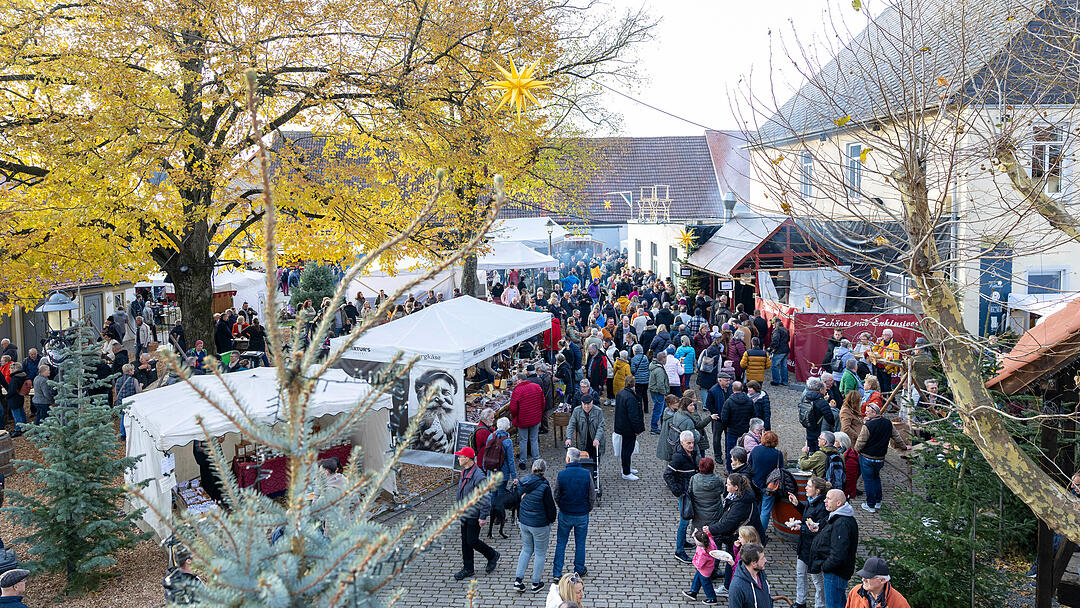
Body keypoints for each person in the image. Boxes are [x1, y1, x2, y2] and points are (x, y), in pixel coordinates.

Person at [452, 447, 499, 580]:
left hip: (474, 513)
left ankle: (492, 555)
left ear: (467, 459)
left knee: (472, 540)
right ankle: (468, 568)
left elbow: (485, 497)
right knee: (465, 542)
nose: (458, 458)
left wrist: (483, 516)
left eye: (461, 456)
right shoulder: (464, 472)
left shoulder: (479, 476)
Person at [854, 404, 909, 512]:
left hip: (867, 457)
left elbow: (860, 442)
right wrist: (904, 447)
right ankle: (878, 502)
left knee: (868, 481)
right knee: (876, 479)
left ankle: (870, 505)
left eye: (868, 411)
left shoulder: (868, 426)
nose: (865, 413)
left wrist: (855, 451)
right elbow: (896, 437)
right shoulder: (888, 423)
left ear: (874, 413)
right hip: (880, 458)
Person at [552, 448, 596, 581]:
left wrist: (561, 506)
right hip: (582, 514)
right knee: (580, 543)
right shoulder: (586, 474)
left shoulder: (561, 475)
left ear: (568, 459)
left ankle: (557, 572)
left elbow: (556, 494)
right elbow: (592, 494)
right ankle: (579, 569)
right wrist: (588, 508)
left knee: (561, 542)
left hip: (565, 514)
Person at [811, 489, 859, 608]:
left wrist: (825, 566)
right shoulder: (837, 517)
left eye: (828, 498)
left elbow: (839, 553)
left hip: (835, 573)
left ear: (838, 503)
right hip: (835, 571)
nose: (825, 501)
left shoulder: (842, 523)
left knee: (834, 605)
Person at [515, 458, 557, 594]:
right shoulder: (544, 486)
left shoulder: (522, 482)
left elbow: (517, 500)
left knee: (526, 549)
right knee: (540, 553)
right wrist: (551, 519)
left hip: (524, 522)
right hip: (539, 524)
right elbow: (550, 507)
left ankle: (518, 581)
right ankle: (535, 583)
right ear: (544, 470)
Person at [788, 477, 829, 608]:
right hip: (804, 545)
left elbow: (819, 529)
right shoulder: (812, 501)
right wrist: (797, 504)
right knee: (800, 573)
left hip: (814, 548)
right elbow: (808, 517)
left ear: (817, 491)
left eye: (809, 486)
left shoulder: (822, 506)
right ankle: (800, 601)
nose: (805, 488)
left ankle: (820, 604)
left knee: (817, 579)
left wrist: (801, 528)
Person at [665, 430, 698, 563]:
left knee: (686, 520)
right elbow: (667, 474)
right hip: (684, 493)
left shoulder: (691, 453)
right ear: (682, 443)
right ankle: (679, 551)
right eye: (688, 443)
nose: (691, 445)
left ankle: (683, 542)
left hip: (689, 491)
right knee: (684, 521)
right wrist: (677, 491)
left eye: (692, 443)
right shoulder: (678, 457)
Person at [749, 430, 783, 531]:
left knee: (757, 509)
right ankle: (761, 533)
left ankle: (754, 531)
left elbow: (749, 464)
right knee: (766, 511)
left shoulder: (756, 450)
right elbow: (781, 470)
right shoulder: (778, 454)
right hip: (770, 486)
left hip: (756, 484)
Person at [509, 373, 545, 469]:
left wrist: (515, 417)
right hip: (535, 418)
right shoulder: (536, 387)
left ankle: (523, 461)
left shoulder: (518, 390)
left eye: (516, 380)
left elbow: (513, 408)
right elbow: (542, 402)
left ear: (520, 380)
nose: (516, 382)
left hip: (523, 420)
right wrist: (539, 413)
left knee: (523, 441)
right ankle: (535, 460)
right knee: (534, 439)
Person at [846, 557, 911, 608]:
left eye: (868, 577)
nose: (863, 579)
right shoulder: (855, 592)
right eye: (863, 576)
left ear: (882, 580)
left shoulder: (899, 603)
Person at [613, 376, 644, 480]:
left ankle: (626, 468)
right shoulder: (631, 397)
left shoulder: (620, 393)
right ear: (634, 384)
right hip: (628, 428)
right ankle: (626, 472)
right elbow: (633, 416)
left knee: (626, 449)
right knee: (627, 450)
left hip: (622, 426)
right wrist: (637, 429)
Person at [719, 381, 754, 471]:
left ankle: (730, 470)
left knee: (731, 451)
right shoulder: (749, 401)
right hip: (745, 429)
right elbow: (753, 415)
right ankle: (743, 468)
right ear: (742, 388)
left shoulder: (729, 402)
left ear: (732, 389)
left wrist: (727, 426)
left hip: (732, 430)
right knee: (745, 450)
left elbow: (724, 418)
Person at [682, 527, 720, 604]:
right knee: (697, 578)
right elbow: (709, 536)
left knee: (706, 583)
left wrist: (694, 562)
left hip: (704, 570)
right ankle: (693, 592)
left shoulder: (703, 553)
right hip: (707, 567)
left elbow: (699, 565)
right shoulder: (710, 542)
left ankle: (712, 598)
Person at [728, 543, 772, 608]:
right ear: (753, 563)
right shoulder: (736, 587)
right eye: (762, 558)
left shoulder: (761, 573)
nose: (765, 560)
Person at [689, 456, 725, 536]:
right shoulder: (717, 479)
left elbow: (690, 491)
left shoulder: (694, 479)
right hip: (715, 513)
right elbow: (721, 491)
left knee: (699, 536)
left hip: (698, 514)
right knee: (713, 535)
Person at [565, 393, 605, 461]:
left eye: (588, 404)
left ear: (592, 403)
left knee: (595, 462)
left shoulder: (598, 411)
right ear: (581, 403)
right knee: (583, 462)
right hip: (583, 442)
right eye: (584, 404)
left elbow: (601, 426)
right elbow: (571, 425)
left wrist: (597, 439)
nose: (586, 406)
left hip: (595, 441)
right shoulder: (576, 411)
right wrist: (569, 438)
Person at [801, 378, 835, 454]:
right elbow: (830, 419)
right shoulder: (822, 402)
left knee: (810, 452)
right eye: (825, 389)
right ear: (820, 390)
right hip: (819, 432)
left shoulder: (806, 397)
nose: (826, 391)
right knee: (818, 453)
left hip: (809, 429)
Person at [870, 329, 901, 394]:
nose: (882, 336)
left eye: (883, 335)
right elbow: (873, 351)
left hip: (886, 369)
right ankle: (883, 399)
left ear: (889, 336)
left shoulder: (894, 345)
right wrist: (877, 343)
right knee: (881, 386)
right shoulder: (881, 343)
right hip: (878, 367)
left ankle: (891, 399)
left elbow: (894, 359)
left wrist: (887, 369)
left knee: (887, 387)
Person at [834, 431, 860, 500]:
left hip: (843, 491)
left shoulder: (849, 458)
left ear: (842, 443)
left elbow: (850, 479)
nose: (833, 443)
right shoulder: (837, 452)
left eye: (835, 441)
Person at [648, 352, 669, 434]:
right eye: (666, 358)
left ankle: (663, 426)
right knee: (658, 411)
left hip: (655, 391)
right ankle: (654, 428)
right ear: (663, 359)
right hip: (658, 393)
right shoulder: (659, 370)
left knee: (662, 409)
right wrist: (665, 393)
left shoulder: (655, 366)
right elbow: (660, 384)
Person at [767, 318, 789, 386]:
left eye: (773, 323)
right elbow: (788, 339)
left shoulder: (777, 330)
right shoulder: (786, 329)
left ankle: (776, 381)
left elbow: (775, 341)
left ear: (776, 323)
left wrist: (771, 348)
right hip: (786, 349)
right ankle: (784, 381)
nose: (772, 324)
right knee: (784, 366)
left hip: (779, 351)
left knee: (774, 365)